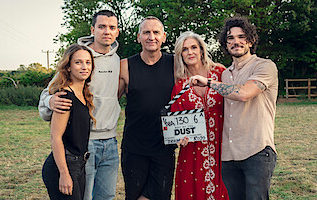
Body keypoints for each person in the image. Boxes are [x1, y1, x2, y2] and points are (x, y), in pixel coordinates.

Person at [189, 16, 278, 200]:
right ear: (225, 43)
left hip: (257, 151)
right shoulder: (225, 74)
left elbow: (244, 93)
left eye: (241, 37)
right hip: (229, 156)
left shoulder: (264, 66)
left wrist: (209, 82)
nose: (236, 41)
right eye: (230, 38)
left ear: (251, 41)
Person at [38, 10, 120, 200]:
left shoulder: (118, 62)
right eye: (101, 27)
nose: (107, 31)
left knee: (106, 196)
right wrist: (50, 100)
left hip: (111, 142)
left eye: (112, 27)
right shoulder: (77, 57)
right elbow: (52, 90)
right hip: (85, 143)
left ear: (117, 32)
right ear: (93, 29)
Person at [118, 16, 187, 200]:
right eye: (146, 32)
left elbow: (200, 76)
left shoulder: (175, 64)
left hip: (164, 147)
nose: (151, 37)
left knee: (160, 196)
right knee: (134, 196)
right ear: (138, 37)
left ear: (164, 37)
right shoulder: (125, 66)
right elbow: (107, 99)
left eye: (156, 32)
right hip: (134, 147)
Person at [170, 31, 229, 200]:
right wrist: (179, 136)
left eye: (193, 47)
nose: (190, 52)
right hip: (192, 150)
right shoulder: (179, 83)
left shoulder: (220, 73)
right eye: (185, 49)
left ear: (202, 50)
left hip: (222, 145)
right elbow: (176, 117)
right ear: (180, 54)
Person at [42, 44, 95, 199]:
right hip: (63, 166)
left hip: (80, 164)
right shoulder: (65, 97)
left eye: (88, 62)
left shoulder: (84, 95)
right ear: (69, 67)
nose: (84, 67)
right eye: (78, 62)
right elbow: (55, 137)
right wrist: (64, 174)